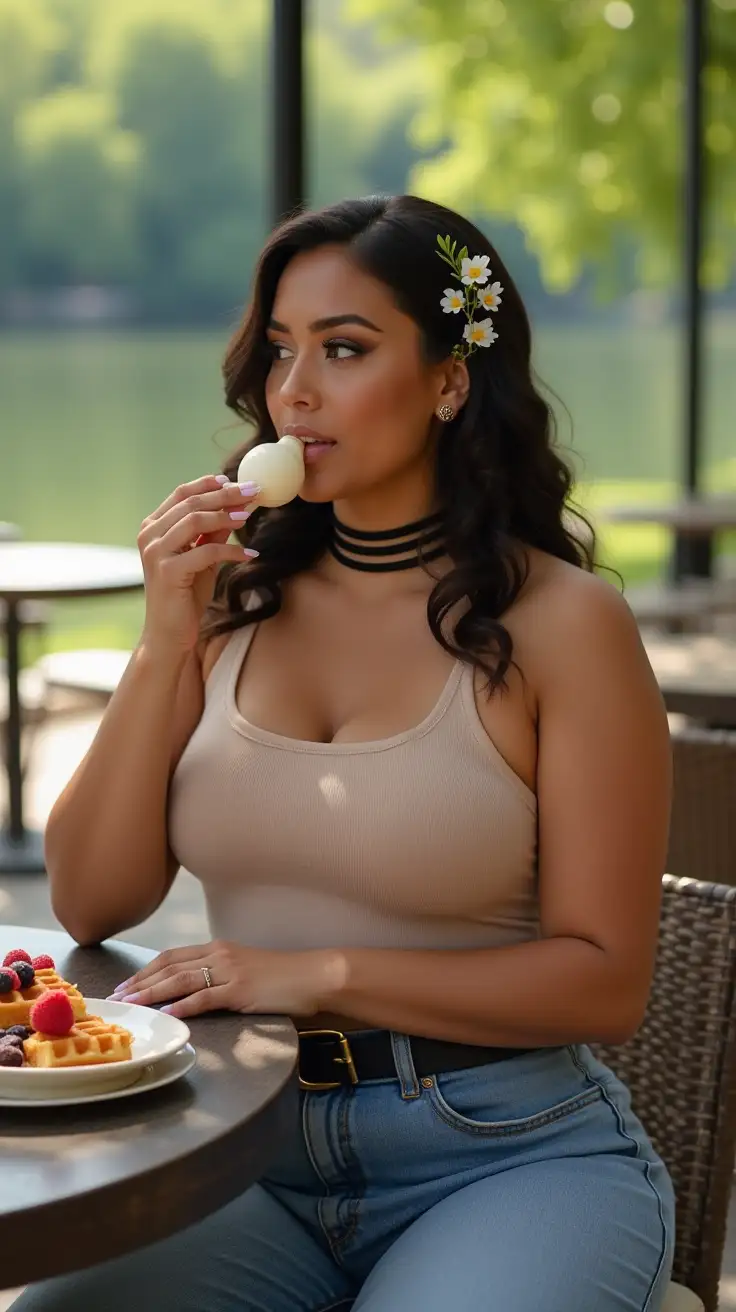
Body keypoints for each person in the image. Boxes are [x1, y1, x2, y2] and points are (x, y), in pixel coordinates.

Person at [15, 194, 675, 1312]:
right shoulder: (232, 603)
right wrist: (166, 639)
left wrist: (309, 975)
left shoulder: (565, 626)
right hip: (236, 1149)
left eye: (345, 349)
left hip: (504, 1152)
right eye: (279, 350)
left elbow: (606, 982)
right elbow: (90, 899)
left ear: (450, 380)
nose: (293, 391)